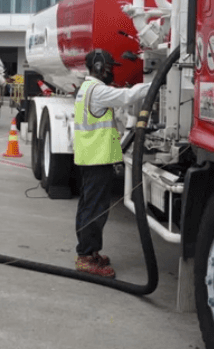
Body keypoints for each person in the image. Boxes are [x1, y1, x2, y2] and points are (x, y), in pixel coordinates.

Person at [73, 48, 150, 278]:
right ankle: (86, 256)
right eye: (108, 68)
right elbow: (126, 97)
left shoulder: (86, 89)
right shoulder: (96, 91)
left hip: (90, 157)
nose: (111, 73)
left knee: (88, 207)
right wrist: (154, 83)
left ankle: (89, 251)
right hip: (96, 158)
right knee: (95, 209)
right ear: (98, 68)